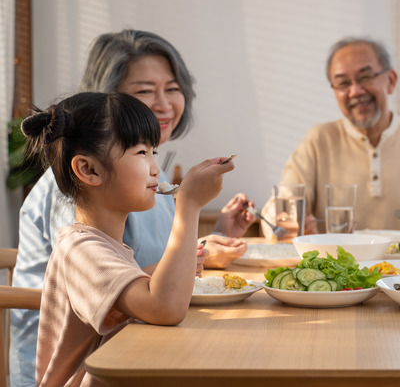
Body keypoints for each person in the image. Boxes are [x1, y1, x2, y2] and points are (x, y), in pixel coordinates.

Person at [9, 29, 254, 387]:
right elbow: (161, 305)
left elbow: (130, 277)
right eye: (142, 152)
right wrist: (188, 205)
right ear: (88, 168)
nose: (164, 103)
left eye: (172, 88)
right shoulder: (79, 237)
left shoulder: (110, 226)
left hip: (136, 356)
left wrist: (208, 241)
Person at [262, 37, 400, 242]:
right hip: (339, 270)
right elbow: (284, 201)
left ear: (391, 80)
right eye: (343, 83)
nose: (355, 91)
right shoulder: (319, 139)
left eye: (365, 77)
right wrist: (284, 221)